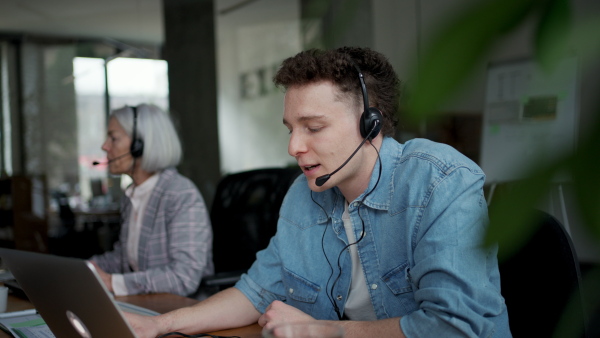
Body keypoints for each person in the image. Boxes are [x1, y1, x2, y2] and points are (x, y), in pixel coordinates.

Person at [126, 47, 511, 337]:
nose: (293, 146)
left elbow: (453, 327)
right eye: (290, 128)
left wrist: (322, 330)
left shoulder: (439, 181)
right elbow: (257, 291)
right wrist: (159, 325)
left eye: (312, 127)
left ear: (370, 123)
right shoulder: (303, 194)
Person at [89, 104, 214, 297]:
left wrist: (114, 283)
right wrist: (85, 269)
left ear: (140, 145)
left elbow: (184, 277)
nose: (105, 146)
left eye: (113, 138)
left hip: (181, 311)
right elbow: (124, 259)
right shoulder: (132, 196)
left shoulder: (180, 193)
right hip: (146, 305)